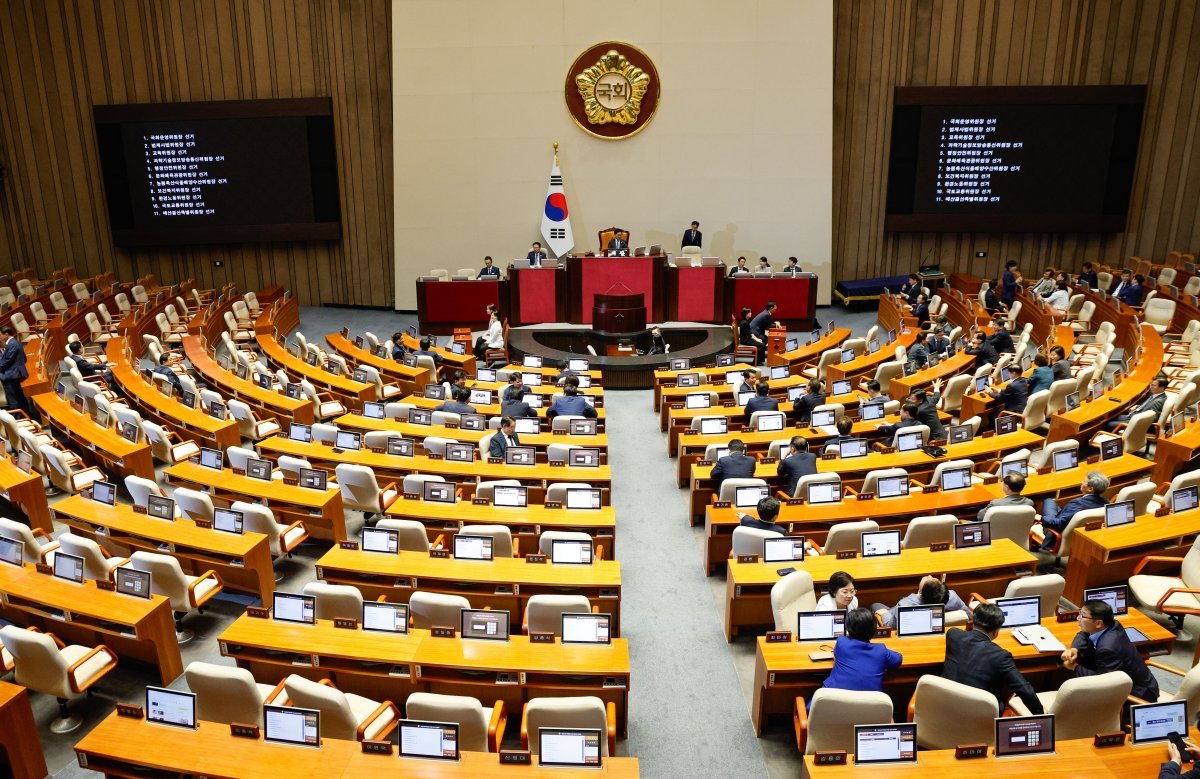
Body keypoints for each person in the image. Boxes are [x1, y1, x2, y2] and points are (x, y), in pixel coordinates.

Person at [942, 602, 1044, 715]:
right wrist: (1041, 715)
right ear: (996, 631)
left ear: (973, 621)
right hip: (979, 713)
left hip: (946, 703)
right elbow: (1024, 689)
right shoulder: (1001, 656)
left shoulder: (952, 634)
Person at [1062, 599, 1159, 701]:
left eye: (1083, 615)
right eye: (1080, 613)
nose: (1078, 618)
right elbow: (1084, 633)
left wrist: (1074, 667)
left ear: (1098, 623)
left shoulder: (1108, 648)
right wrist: (1074, 649)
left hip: (1138, 693)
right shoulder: (1112, 624)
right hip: (1135, 681)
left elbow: (1102, 680)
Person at [821, 607, 903, 695]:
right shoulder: (881, 650)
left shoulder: (842, 642)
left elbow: (836, 654)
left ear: (848, 628)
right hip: (869, 706)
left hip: (832, 701)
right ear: (874, 629)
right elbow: (898, 659)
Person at [1038, 471, 1109, 551]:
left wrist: (1040, 518)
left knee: (1048, 500)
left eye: (1084, 481)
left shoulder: (1077, 503)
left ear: (1090, 489)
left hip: (1056, 534)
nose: (1081, 482)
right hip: (1079, 537)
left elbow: (1058, 524)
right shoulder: (1105, 502)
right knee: (1050, 502)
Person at [876, 575, 970, 629]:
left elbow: (891, 626)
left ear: (922, 592)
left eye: (928, 580)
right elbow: (968, 615)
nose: (929, 576)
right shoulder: (952, 597)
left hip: (893, 615)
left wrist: (884, 614)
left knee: (875, 605)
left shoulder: (905, 605)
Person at [1104, 376, 1168, 431]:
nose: (1150, 387)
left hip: (1136, 422)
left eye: (1153, 385)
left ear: (1161, 388)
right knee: (1115, 416)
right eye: (1151, 384)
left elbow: (1153, 418)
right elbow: (1147, 406)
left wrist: (1136, 419)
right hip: (1134, 415)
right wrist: (1137, 406)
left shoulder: (1158, 401)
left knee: (1109, 424)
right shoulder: (1157, 394)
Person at [0, 326, 30, 415]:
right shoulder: (14, 343)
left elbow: (6, 361)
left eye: (0, 335)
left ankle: (17, 418)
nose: (0, 337)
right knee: (20, 396)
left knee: (12, 399)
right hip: (15, 374)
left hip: (11, 376)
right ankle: (26, 414)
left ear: (6, 334)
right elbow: (24, 359)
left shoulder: (12, 344)